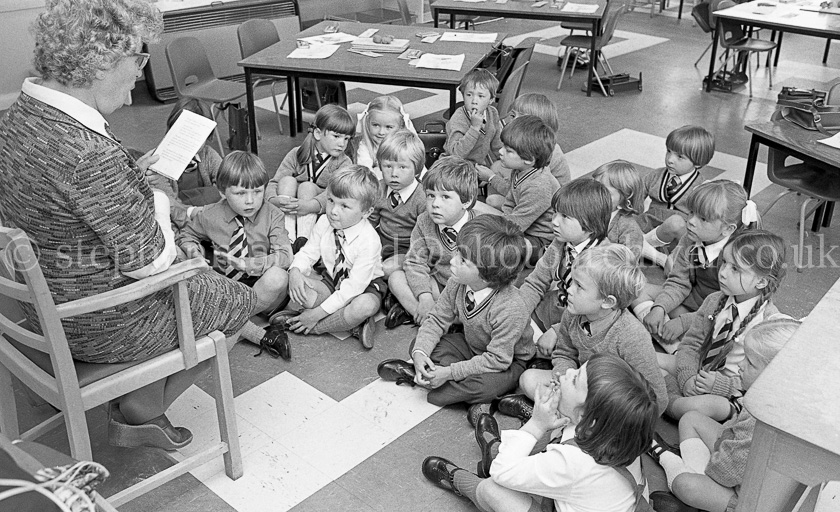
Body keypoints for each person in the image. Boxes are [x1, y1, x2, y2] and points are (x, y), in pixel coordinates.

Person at [0, 0, 286, 450]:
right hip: (96, 318)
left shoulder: (19, 118)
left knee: (204, 278)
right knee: (235, 300)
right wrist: (154, 194)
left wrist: (129, 175)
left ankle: (141, 396)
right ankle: (141, 409)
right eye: (137, 57)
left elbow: (70, 202)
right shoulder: (87, 153)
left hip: (48, 296)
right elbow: (149, 259)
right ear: (100, 63)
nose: (140, 72)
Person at [421, 354, 658, 512]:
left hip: (563, 482)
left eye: (575, 380)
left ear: (587, 417)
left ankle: (462, 478)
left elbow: (502, 474)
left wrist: (536, 423)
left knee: (492, 488)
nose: (566, 373)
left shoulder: (571, 462)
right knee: (550, 437)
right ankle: (497, 449)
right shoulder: (619, 430)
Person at [377, 216, 535, 413]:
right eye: (457, 253)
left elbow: (497, 360)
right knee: (419, 345)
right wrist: (420, 354)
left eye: (462, 260)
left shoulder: (511, 308)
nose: (452, 261)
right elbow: (436, 319)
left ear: (486, 275)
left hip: (508, 361)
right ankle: (450, 385)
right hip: (471, 345)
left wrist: (449, 372)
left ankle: (434, 381)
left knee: (480, 387)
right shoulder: (457, 282)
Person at [649, 316, 800, 512]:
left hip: (747, 497)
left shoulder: (765, 419)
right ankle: (698, 495)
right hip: (737, 463)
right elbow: (733, 433)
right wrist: (721, 444)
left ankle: (669, 460)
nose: (740, 365)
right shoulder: (769, 395)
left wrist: (716, 454)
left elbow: (725, 472)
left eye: (751, 363)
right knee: (691, 418)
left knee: (685, 485)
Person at [514, 245, 669, 417]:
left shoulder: (632, 336)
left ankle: (563, 417)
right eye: (572, 281)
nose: (569, 289)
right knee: (527, 380)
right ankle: (570, 418)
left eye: (579, 286)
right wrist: (563, 378)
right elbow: (565, 352)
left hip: (613, 402)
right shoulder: (573, 313)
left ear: (607, 302)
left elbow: (657, 398)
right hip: (580, 385)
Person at [660, 231, 786, 419]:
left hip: (731, 392)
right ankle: (670, 397)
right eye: (724, 262)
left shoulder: (767, 324)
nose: (723, 273)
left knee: (700, 408)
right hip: (700, 371)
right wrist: (687, 377)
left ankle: (664, 398)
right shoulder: (714, 300)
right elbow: (692, 344)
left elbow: (762, 381)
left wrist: (721, 386)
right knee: (647, 359)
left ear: (761, 281)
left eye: (735, 269)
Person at [269, 166, 385, 349]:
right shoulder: (324, 222)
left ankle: (310, 326)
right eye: (330, 200)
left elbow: (353, 288)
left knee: (364, 306)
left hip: (364, 287)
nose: (333, 211)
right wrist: (295, 271)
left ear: (366, 212)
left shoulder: (369, 241)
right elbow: (308, 253)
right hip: (331, 280)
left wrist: (313, 316)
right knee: (300, 289)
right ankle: (351, 324)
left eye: (344, 206)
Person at [634, 181, 759, 350]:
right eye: (691, 212)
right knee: (637, 292)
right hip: (693, 303)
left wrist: (683, 323)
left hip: (718, 316)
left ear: (728, 229)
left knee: (719, 341)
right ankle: (676, 348)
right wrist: (659, 307)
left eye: (703, 219)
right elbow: (678, 282)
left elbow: (727, 308)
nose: (691, 221)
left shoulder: (736, 258)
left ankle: (679, 349)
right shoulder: (690, 239)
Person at [177, 151, 291, 321]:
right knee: (180, 255)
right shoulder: (209, 214)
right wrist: (192, 250)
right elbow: (186, 235)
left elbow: (285, 256)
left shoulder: (273, 215)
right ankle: (238, 320)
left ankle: (228, 319)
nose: (250, 200)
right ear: (222, 191)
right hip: (226, 286)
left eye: (258, 192)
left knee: (278, 277)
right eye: (240, 193)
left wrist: (249, 264)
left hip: (261, 286)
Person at [385, 156, 479, 329]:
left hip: (466, 288)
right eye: (430, 196)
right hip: (438, 283)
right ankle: (428, 318)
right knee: (396, 279)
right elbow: (415, 261)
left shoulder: (480, 227)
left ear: (466, 201)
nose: (435, 204)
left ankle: (435, 320)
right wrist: (425, 297)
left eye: (445, 197)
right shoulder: (424, 221)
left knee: (475, 309)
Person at [519, 178, 612, 333]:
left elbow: (596, 312)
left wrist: (556, 331)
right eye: (555, 213)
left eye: (565, 217)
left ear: (590, 224)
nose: (554, 221)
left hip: (582, 322)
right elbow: (536, 282)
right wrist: (519, 310)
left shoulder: (603, 259)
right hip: (554, 306)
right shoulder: (560, 242)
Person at [475, 115, 561, 264]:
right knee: (477, 210)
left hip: (540, 240)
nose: (500, 152)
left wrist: (485, 227)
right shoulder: (521, 170)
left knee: (493, 248)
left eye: (508, 151)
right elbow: (511, 196)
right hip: (522, 223)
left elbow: (516, 225)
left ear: (528, 159)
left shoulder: (538, 186)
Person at [265, 104, 355, 243]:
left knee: (307, 187)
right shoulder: (297, 153)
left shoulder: (345, 162)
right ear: (318, 133)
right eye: (336, 136)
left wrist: (310, 205)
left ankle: (303, 239)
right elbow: (275, 182)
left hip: (321, 213)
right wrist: (273, 199)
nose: (342, 144)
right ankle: (287, 237)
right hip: (291, 210)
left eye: (346, 138)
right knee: (287, 180)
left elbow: (336, 194)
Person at [639, 125, 715, 267]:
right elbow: (636, 198)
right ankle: (641, 246)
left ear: (698, 163)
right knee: (620, 225)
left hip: (679, 236)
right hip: (649, 225)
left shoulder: (701, 187)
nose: (670, 159)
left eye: (680, 157)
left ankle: (641, 248)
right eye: (668, 151)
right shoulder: (655, 175)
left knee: (676, 222)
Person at [481, 93, 571, 209]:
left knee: (492, 200)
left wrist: (491, 178)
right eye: (513, 116)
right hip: (532, 193)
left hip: (548, 207)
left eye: (522, 118)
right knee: (498, 167)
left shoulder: (547, 155)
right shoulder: (535, 146)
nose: (513, 122)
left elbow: (521, 187)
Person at [153, 97, 223, 230]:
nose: (191, 142)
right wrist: (192, 213)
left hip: (208, 214)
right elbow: (168, 203)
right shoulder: (160, 160)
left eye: (198, 137)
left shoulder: (208, 154)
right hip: (178, 220)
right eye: (185, 134)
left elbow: (226, 181)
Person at [366, 130, 427, 277]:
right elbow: (370, 221)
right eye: (388, 166)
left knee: (384, 270)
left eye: (402, 167)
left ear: (417, 170)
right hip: (380, 240)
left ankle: (385, 289)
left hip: (406, 248)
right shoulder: (379, 188)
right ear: (380, 166)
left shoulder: (422, 197)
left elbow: (424, 236)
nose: (394, 173)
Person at [444, 68, 503, 166]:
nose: (474, 101)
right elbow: (455, 154)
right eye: (469, 95)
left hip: (477, 166)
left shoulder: (492, 113)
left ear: (491, 99)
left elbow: (497, 145)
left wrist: (505, 162)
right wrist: (474, 128)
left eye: (480, 96)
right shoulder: (459, 118)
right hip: (454, 168)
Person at [592, 160, 646, 260]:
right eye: (594, 188)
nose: (595, 195)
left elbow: (630, 262)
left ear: (624, 202)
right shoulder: (586, 211)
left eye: (605, 193)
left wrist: (609, 249)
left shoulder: (629, 229)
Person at [354, 95, 416, 179]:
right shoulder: (366, 145)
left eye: (388, 127)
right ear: (368, 123)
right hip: (375, 185)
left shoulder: (406, 146)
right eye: (375, 125)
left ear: (400, 127)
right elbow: (365, 169)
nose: (381, 132)